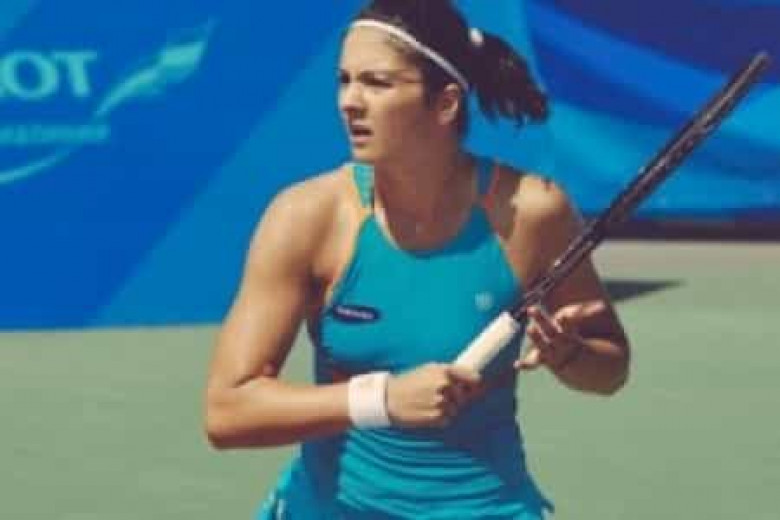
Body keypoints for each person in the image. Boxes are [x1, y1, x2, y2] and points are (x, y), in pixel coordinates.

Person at [204, 1, 630, 518]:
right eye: (344, 80)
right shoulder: (305, 217)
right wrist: (382, 399)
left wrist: (571, 355)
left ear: (446, 103)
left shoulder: (533, 212)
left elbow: (610, 369)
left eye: (377, 83)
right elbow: (227, 411)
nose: (349, 102)